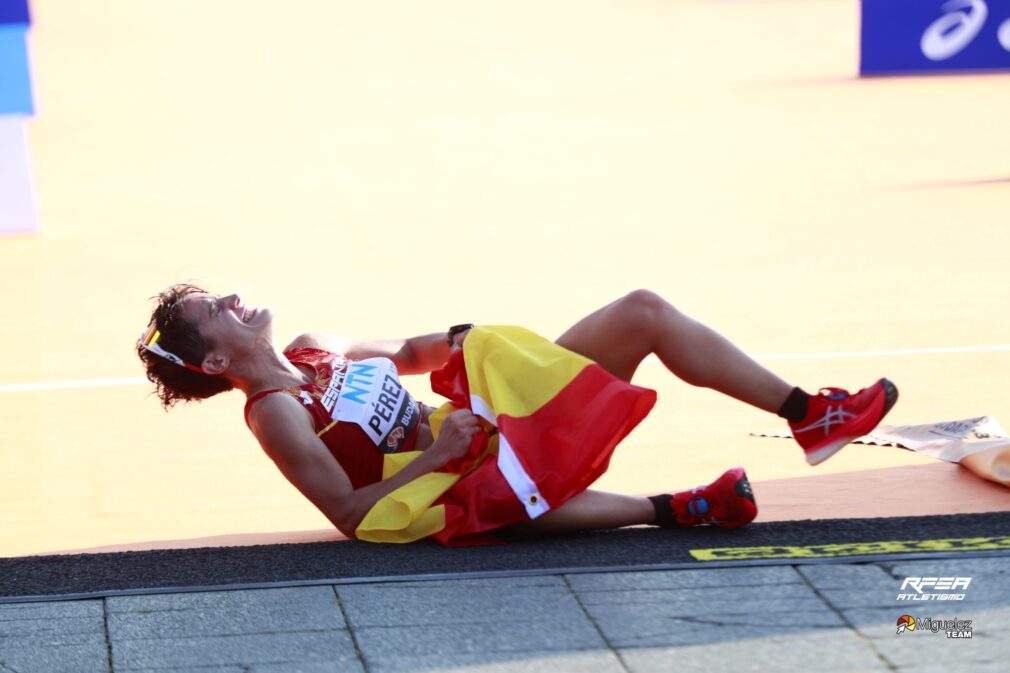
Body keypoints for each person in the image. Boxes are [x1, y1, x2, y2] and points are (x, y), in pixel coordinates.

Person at [137, 285, 898, 545]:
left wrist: (457, 339)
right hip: (440, 483)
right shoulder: (275, 414)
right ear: (214, 363)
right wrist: (440, 458)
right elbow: (345, 513)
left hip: (466, 426)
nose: (236, 299)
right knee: (492, 501)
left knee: (641, 312)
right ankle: (679, 508)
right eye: (220, 311)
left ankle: (811, 415)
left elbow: (407, 349)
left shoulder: (313, 348)